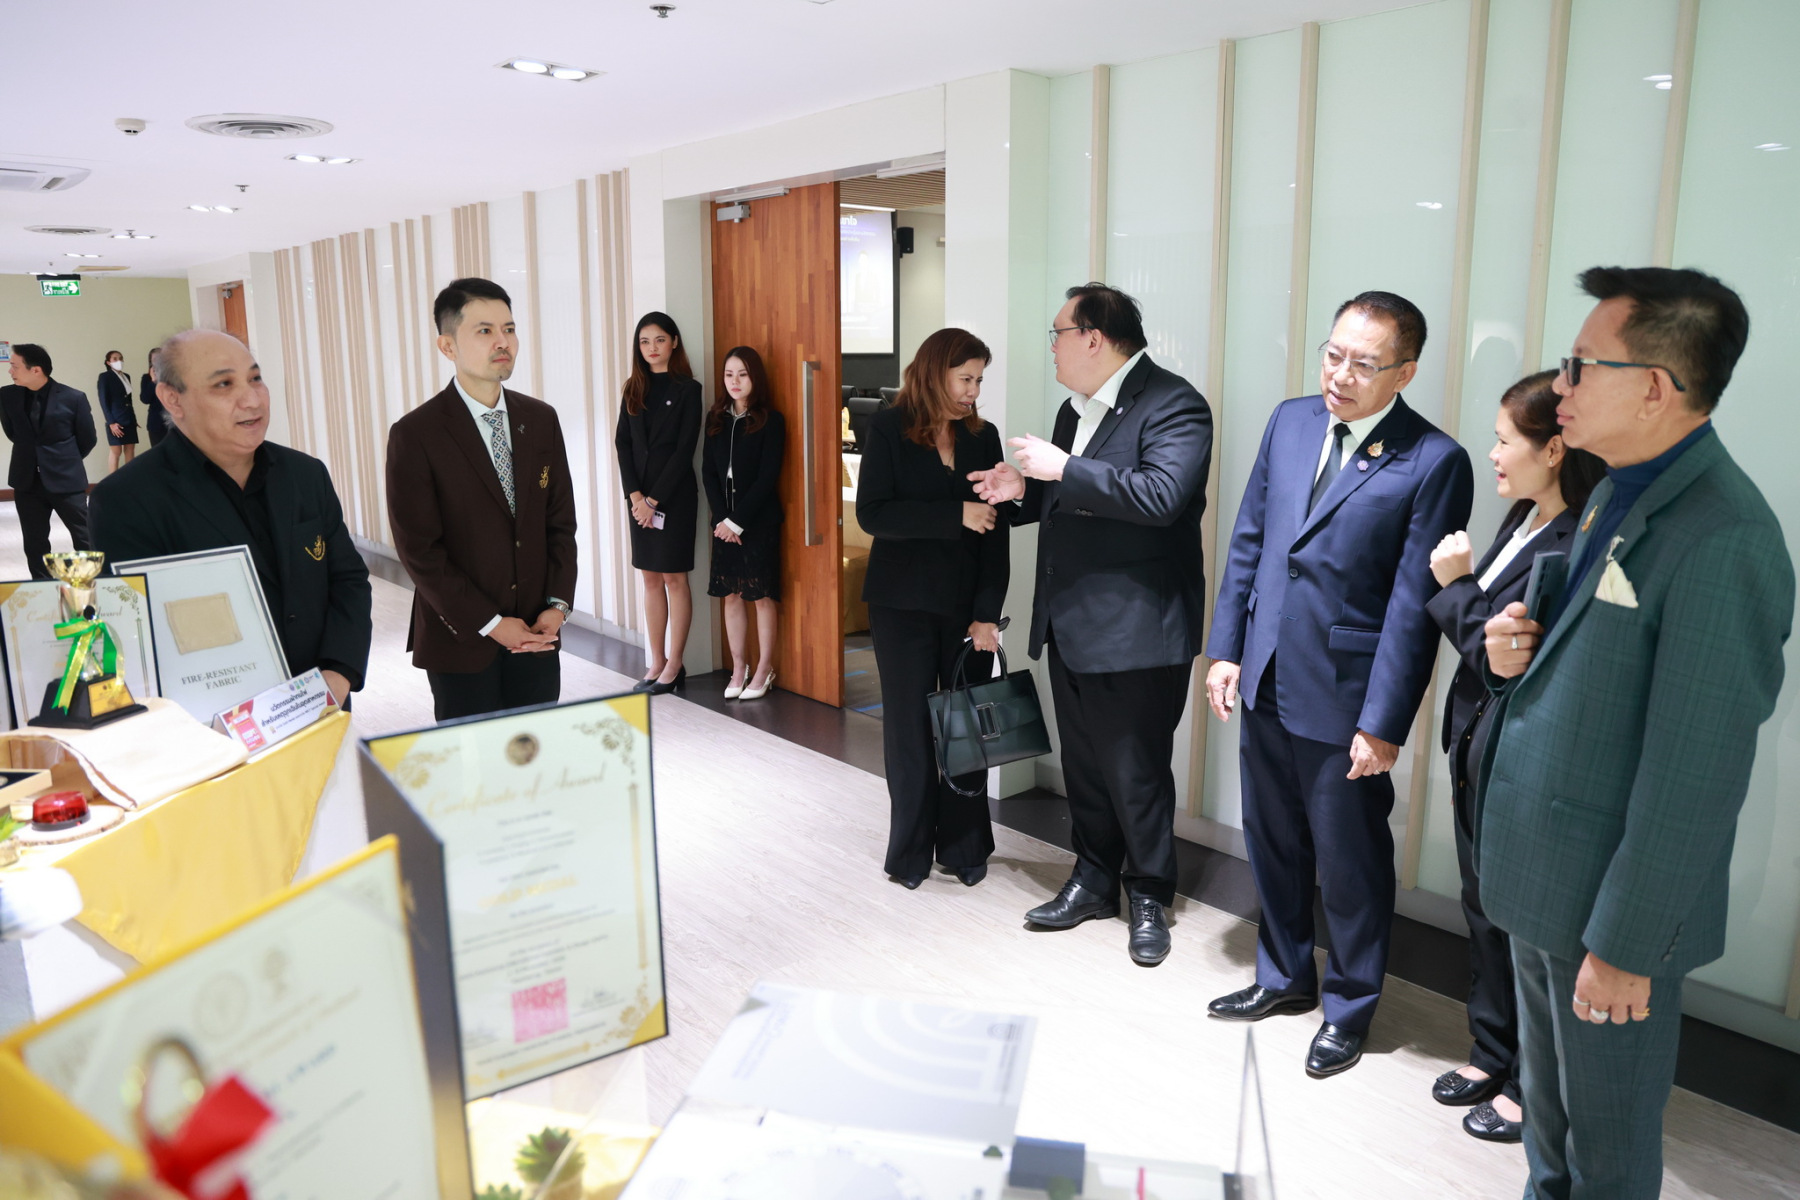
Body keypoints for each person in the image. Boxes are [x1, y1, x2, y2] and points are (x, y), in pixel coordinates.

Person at [1480, 267, 1793, 1198]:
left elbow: (1697, 771)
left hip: (1610, 909)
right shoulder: (1617, 490)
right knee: (1550, 1128)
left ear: (1655, 387)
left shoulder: (1725, 534)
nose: (1560, 387)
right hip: (1546, 871)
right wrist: (1516, 642)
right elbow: (1596, 652)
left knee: (1607, 1153)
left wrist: (1627, 946)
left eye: (1580, 366)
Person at [1203, 291, 1473, 1077]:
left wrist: (1383, 723)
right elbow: (1251, 541)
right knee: (1272, 840)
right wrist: (1227, 650)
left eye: (1363, 364)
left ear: (1404, 373)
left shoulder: (1432, 460)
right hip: (1266, 673)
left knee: (1350, 862)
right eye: (1333, 355)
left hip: (1346, 693)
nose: (1340, 375)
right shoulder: (1290, 422)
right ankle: (1284, 976)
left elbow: (1413, 607)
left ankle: (1349, 1006)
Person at [969, 284, 1212, 966]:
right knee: (1085, 769)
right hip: (1071, 620)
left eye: (1058, 333)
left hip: (1137, 628)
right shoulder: (1073, 410)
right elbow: (1072, 499)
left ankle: (1149, 894)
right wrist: (1026, 489)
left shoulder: (1175, 404)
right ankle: (1094, 879)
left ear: (1094, 338)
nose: (1052, 347)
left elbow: (1160, 497)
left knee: (1136, 772)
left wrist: (1065, 468)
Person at [1423, 370, 1604, 1143]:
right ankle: (1491, 1053)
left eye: (1504, 441)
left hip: (1520, 759)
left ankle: (1531, 1084)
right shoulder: (1526, 517)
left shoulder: (1578, 542)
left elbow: (1512, 659)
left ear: (1554, 449)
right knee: (1483, 910)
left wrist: (1455, 586)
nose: (1492, 454)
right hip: (1476, 751)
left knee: (1524, 926)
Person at [89, 330, 371, 706]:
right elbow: (136, 632)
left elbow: (347, 578)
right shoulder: (125, 498)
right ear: (172, 398)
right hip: (209, 720)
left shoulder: (305, 474)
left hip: (321, 700)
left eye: (255, 378)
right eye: (223, 384)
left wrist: (339, 672)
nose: (252, 399)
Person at [386, 278, 578, 722]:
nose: (502, 342)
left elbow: (559, 524)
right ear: (447, 346)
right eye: (485, 330)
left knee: (536, 752)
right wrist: (491, 624)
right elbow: (419, 550)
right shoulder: (417, 434)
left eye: (509, 329)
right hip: (461, 643)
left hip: (537, 635)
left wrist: (557, 607)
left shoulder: (540, 419)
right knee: (474, 760)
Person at [859, 328, 1008, 889]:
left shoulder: (984, 437)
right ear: (934, 372)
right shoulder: (888, 427)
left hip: (966, 607)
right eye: (965, 378)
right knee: (909, 731)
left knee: (966, 727)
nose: (973, 391)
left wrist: (988, 612)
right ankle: (910, 851)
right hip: (900, 605)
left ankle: (966, 847)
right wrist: (955, 515)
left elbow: (997, 533)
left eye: (979, 380)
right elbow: (874, 513)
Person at [614, 312, 701, 695]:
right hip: (639, 500)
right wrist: (635, 497)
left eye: (659, 340)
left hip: (673, 498)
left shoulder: (689, 390)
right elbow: (623, 444)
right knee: (650, 578)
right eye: (645, 341)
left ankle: (676, 663)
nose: (652, 348)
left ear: (674, 342)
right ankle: (657, 661)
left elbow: (684, 451)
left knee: (674, 578)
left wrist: (652, 500)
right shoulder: (633, 388)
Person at [702, 346, 785, 701]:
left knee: (761, 596)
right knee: (731, 596)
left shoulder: (771, 420)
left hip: (757, 523)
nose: (734, 381)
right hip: (723, 526)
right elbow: (708, 472)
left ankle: (764, 668)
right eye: (729, 374)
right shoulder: (716, 419)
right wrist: (723, 520)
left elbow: (767, 477)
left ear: (755, 378)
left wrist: (737, 522)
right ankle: (739, 667)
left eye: (743, 374)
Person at [0, 344, 97, 580]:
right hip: (27, 480)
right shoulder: (7, 395)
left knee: (84, 537)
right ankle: (42, 587)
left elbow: (87, 439)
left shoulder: (73, 398)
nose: (10, 371)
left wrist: (63, 462)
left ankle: (86, 585)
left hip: (66, 479)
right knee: (34, 542)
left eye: (15, 366)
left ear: (36, 370)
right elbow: (12, 432)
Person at [98, 349, 138, 473]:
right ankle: (113, 481)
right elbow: (103, 401)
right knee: (116, 452)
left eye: (120, 358)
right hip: (115, 420)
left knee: (130, 450)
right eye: (115, 359)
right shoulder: (105, 377)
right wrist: (111, 422)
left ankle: (129, 480)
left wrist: (134, 418)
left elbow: (129, 400)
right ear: (108, 362)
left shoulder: (127, 376)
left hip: (128, 418)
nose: (119, 361)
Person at [141, 347, 170, 447]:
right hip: (156, 423)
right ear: (150, 362)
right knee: (158, 451)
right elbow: (145, 399)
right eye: (155, 359)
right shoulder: (146, 378)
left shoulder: (172, 376)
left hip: (173, 421)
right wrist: (153, 381)